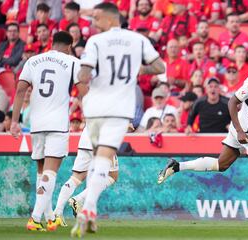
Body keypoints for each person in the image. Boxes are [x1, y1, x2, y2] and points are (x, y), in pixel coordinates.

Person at [157, 46, 248, 221]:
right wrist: (240, 130)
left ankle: (177, 166)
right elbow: (232, 102)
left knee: (221, 165)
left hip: (244, 124)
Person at [71, 3, 165, 237]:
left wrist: (89, 75)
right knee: (104, 158)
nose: (93, 22)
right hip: (120, 108)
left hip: (95, 107)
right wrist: (137, 71)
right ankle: (89, 208)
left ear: (109, 18)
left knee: (97, 157)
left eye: (96, 17)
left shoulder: (95, 42)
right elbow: (159, 66)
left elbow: (83, 75)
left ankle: (87, 208)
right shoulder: (137, 40)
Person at [10, 31, 80, 232]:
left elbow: (21, 90)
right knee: (51, 171)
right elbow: (83, 88)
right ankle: (35, 217)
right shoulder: (71, 61)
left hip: (36, 123)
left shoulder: (33, 61)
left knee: (41, 171)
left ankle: (50, 218)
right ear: (69, 45)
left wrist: (15, 121)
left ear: (52, 42)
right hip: (57, 122)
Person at [54, 126, 119, 226]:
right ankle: (79, 199)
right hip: (101, 140)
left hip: (85, 138)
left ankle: (57, 213)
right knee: (112, 176)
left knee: (76, 177)